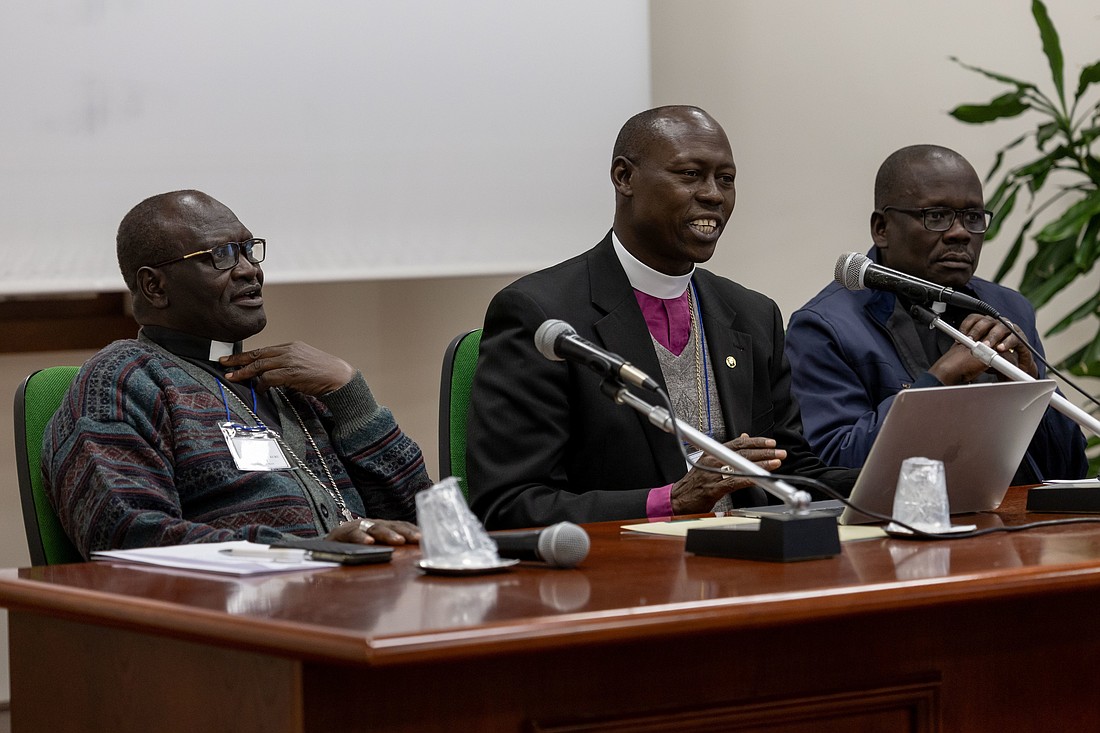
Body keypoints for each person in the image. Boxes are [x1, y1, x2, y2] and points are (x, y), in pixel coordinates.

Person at [466, 105, 857, 529]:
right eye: (690, 174)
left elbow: (793, 470)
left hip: (752, 568)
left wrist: (901, 477)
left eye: (726, 179)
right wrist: (671, 500)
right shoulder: (543, 315)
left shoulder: (752, 315)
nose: (714, 194)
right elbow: (508, 505)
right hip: (621, 578)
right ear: (624, 177)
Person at [44, 190, 433, 558]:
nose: (250, 270)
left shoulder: (292, 384)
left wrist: (349, 393)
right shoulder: (122, 381)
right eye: (221, 255)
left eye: (249, 250)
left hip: (359, 599)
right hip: (233, 616)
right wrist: (303, 551)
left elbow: (424, 519)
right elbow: (126, 535)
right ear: (154, 286)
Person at [786, 144, 1088, 483]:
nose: (960, 233)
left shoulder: (1008, 309)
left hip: (1011, 523)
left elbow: (1070, 470)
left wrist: (1031, 386)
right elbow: (832, 468)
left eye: (973, 218)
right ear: (881, 228)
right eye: (937, 216)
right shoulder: (825, 327)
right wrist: (940, 380)